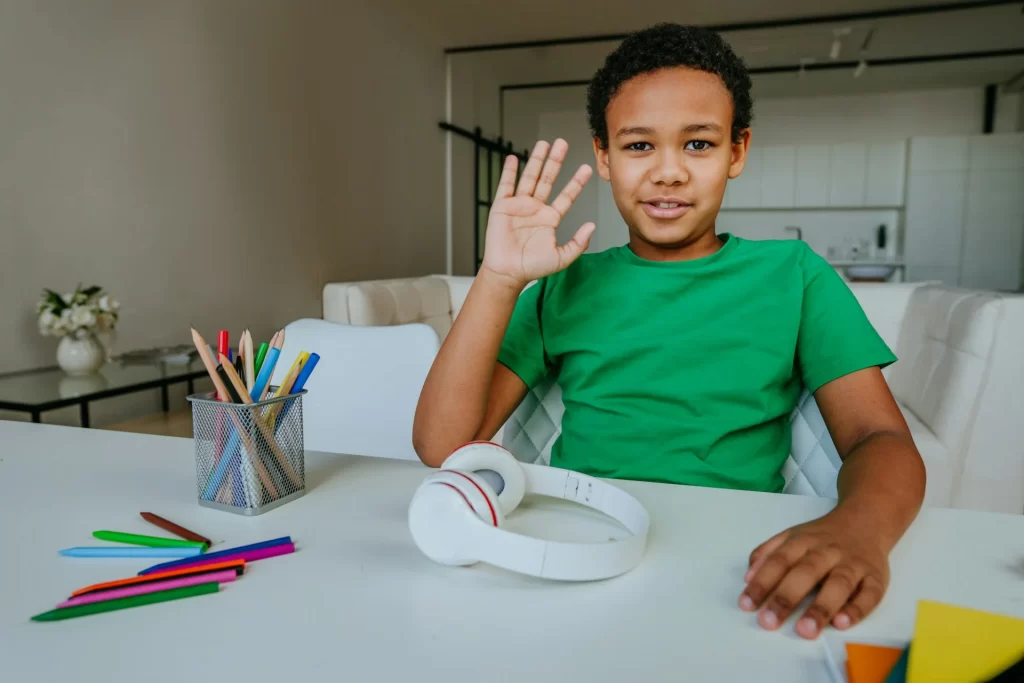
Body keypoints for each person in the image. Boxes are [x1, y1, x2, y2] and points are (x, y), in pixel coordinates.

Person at [412, 22, 925, 640]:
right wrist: (497, 278)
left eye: (700, 145)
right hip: (576, 540)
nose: (669, 172)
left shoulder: (794, 277)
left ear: (738, 151)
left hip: (735, 556)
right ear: (603, 155)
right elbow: (442, 444)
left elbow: (878, 438)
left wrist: (860, 528)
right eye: (638, 147)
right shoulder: (566, 283)